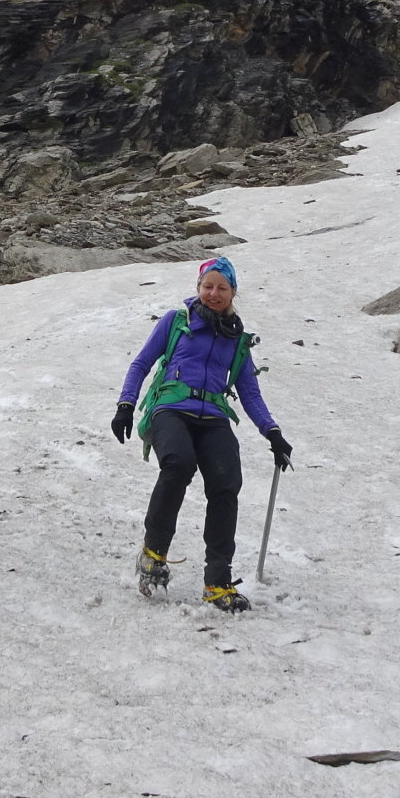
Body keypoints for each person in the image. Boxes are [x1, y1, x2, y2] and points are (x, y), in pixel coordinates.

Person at [112, 255, 292, 611]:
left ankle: (218, 581)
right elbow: (141, 363)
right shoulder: (176, 321)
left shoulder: (237, 340)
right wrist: (126, 404)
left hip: (213, 415)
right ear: (198, 288)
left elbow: (250, 392)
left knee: (226, 482)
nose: (213, 293)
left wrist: (271, 431)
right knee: (178, 463)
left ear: (233, 292)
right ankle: (153, 553)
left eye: (221, 287)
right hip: (170, 407)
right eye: (208, 286)